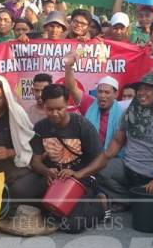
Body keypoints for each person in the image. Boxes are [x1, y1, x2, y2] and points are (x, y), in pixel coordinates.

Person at [10, 84, 108, 234]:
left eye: (59, 109)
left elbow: (102, 160)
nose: (55, 113)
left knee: (72, 225)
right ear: (44, 106)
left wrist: (78, 174)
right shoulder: (40, 127)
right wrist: (46, 171)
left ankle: (100, 204)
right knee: (18, 189)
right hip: (53, 178)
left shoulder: (82, 125)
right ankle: (53, 207)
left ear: (67, 104)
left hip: (79, 180)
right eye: (50, 109)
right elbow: (34, 160)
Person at [95, 74, 153, 206]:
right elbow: (118, 141)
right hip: (127, 168)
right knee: (100, 171)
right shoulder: (129, 113)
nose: (142, 93)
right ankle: (131, 201)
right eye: (140, 89)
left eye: (147, 89)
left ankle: (138, 201)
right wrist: (99, 161)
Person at [64, 51, 123, 149]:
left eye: (107, 92)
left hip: (112, 157)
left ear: (116, 94)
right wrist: (68, 66)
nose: (102, 95)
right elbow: (72, 88)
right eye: (100, 92)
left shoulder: (122, 111)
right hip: (89, 153)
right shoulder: (89, 103)